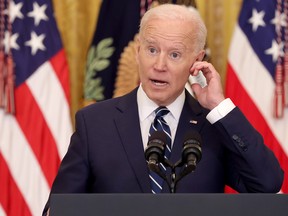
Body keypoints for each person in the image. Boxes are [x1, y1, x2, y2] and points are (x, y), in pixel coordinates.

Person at [43, 3, 283, 215]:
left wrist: (219, 107)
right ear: (138, 52)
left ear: (197, 61)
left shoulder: (214, 126)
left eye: (175, 54)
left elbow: (267, 182)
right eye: (152, 50)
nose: (159, 65)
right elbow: (59, 207)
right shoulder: (94, 122)